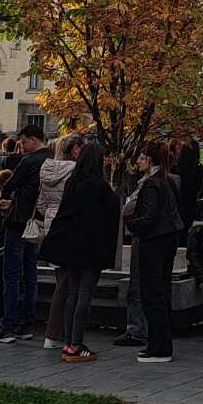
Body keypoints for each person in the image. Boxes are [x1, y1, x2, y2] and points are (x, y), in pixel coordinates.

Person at [41, 143, 120, 363]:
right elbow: (101, 217)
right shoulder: (98, 186)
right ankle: (76, 344)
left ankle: (69, 342)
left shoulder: (73, 182)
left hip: (71, 247)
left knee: (73, 294)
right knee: (84, 294)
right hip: (90, 248)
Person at [0, 125, 51, 343]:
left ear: (34, 139)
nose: (22, 147)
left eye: (24, 142)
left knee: (12, 274)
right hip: (38, 221)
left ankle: (9, 325)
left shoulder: (29, 162)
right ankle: (27, 323)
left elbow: (9, 185)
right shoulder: (52, 159)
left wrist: (6, 200)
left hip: (19, 221)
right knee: (31, 272)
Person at [127, 140, 183, 363]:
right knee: (161, 292)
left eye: (143, 157)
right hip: (168, 238)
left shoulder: (152, 183)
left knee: (152, 294)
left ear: (150, 159)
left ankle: (159, 346)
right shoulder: (168, 180)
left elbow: (149, 216)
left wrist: (132, 224)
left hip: (154, 241)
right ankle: (160, 343)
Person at [38, 135, 84, 349]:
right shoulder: (76, 172)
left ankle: (58, 331)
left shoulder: (47, 169)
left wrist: (50, 213)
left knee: (62, 280)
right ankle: (55, 332)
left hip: (51, 223)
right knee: (66, 283)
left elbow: (41, 204)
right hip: (68, 226)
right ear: (75, 149)